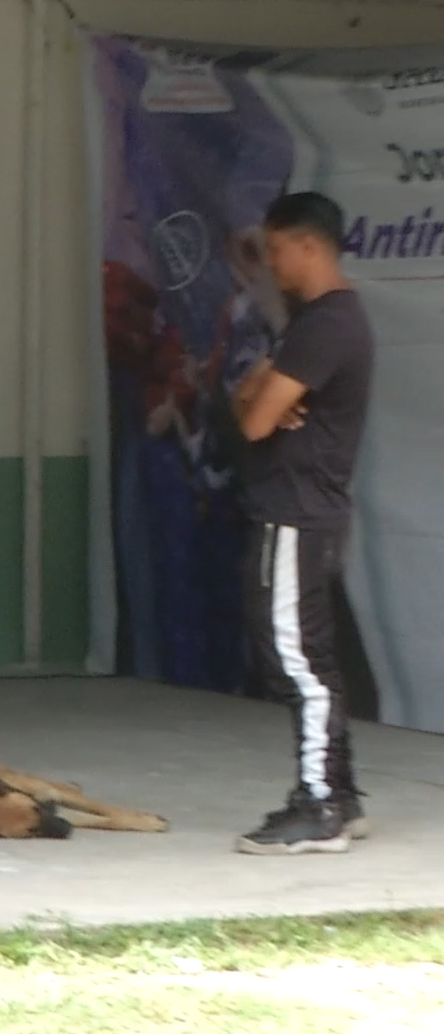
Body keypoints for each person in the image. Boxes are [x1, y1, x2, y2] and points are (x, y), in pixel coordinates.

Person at [230, 191, 375, 856]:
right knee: (312, 657)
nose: (271, 262)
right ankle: (339, 794)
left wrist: (260, 391)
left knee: (297, 662)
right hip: (304, 511)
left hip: (296, 512)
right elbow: (249, 402)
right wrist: (259, 387)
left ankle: (320, 806)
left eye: (277, 249)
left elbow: (255, 419)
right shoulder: (313, 323)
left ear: (309, 245)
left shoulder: (326, 325)